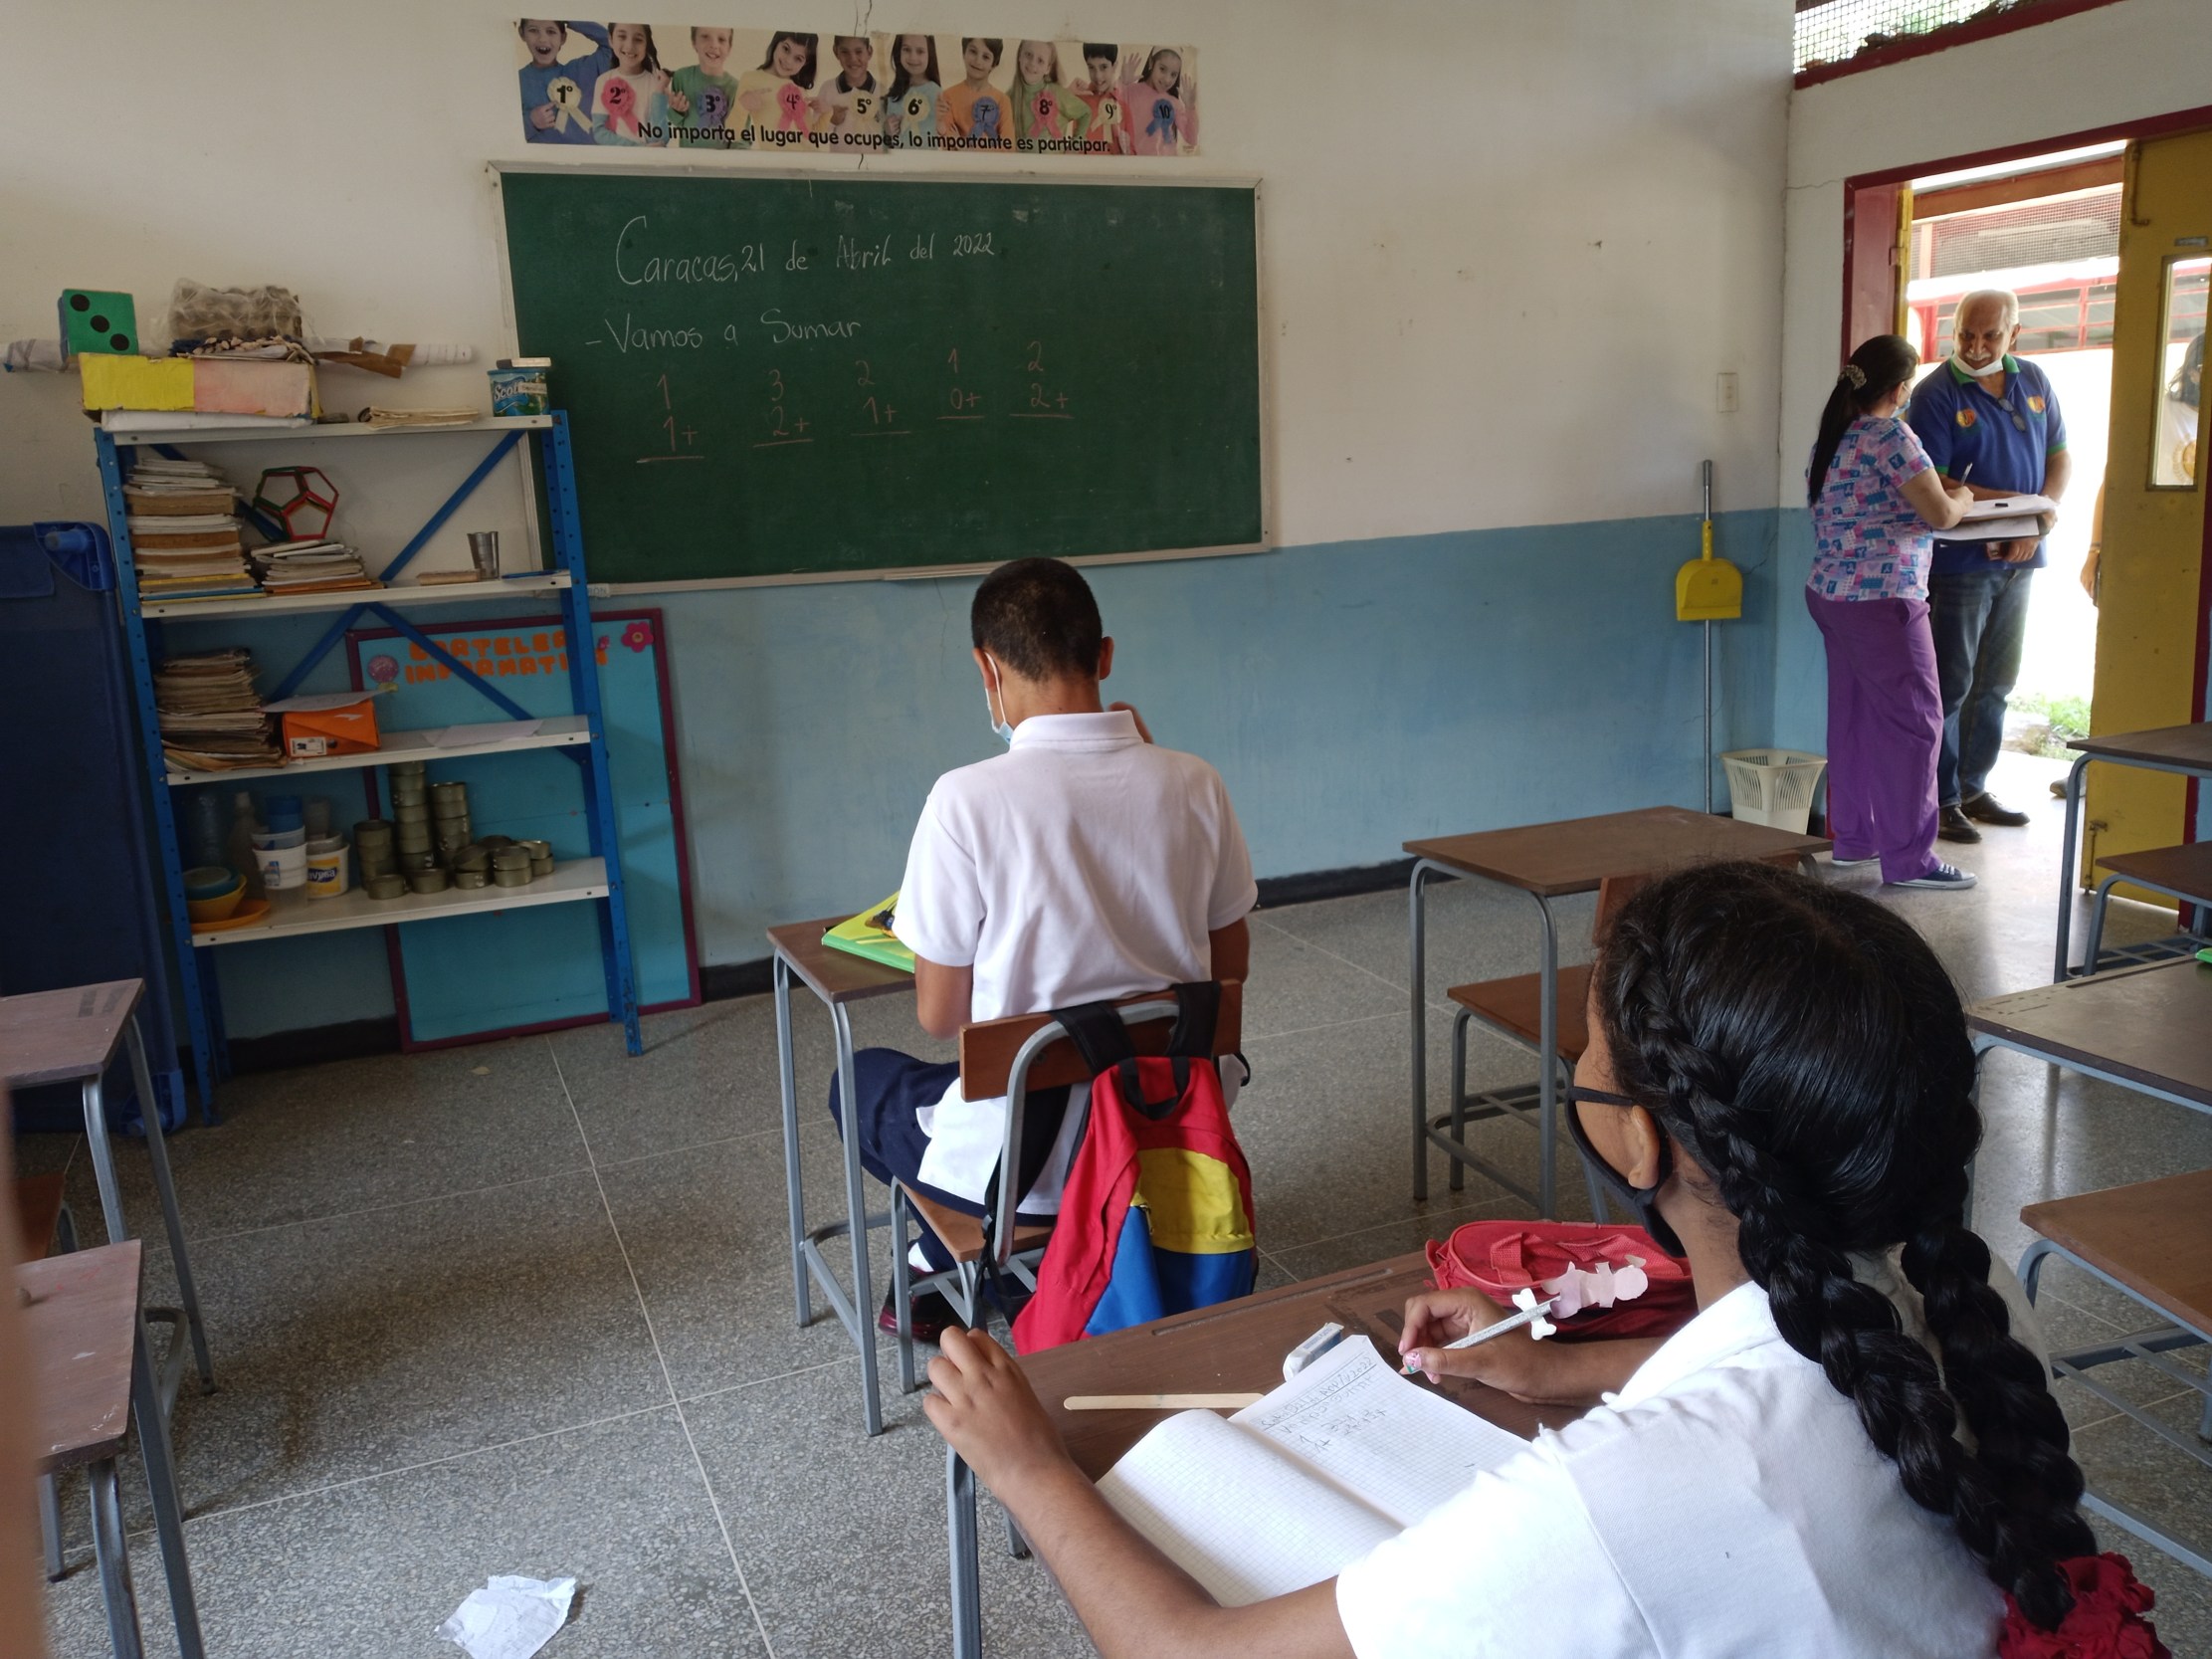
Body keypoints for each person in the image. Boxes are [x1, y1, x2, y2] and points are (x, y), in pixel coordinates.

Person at [924, 862, 2171, 1659]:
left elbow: (1190, 1651)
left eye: (1587, 1051)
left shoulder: (1625, 1493)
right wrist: (1564, 1370)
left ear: (1640, 1137)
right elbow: (1782, 1377)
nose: (1576, 1070)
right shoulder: (1952, 1305)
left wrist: (1028, 1464)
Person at [828, 558, 1255, 1339]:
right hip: (1165, 1130)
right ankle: (944, 1263)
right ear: (1105, 656)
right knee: (1010, 1063)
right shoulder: (1195, 781)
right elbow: (1231, 968)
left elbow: (940, 1014)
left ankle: (938, 1260)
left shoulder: (964, 798)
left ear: (986, 669)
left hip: (1027, 1166)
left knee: (859, 1080)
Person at [1807, 334, 1978, 889]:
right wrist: (1964, 497)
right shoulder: (1891, 436)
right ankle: (1910, 860)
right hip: (1884, 600)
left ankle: (1855, 840)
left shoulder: (1833, 436)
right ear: (1901, 389)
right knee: (1914, 725)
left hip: (1831, 595)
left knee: (1854, 718)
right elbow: (1941, 514)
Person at [1906, 289, 2075, 845]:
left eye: (1991, 336)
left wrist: (2039, 516)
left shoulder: (2034, 380)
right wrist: (2021, 512)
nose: (1976, 347)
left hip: (2023, 554)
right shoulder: (1935, 394)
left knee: (1997, 681)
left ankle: (1974, 787)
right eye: (1966, 336)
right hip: (1962, 560)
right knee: (1952, 682)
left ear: (2014, 334)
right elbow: (1938, 483)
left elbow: (2059, 456)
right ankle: (1942, 797)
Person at [516, 19, 613, 144]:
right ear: (522, 33)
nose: (542, 39)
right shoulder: (516, 80)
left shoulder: (581, 70)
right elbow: (502, 130)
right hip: (542, 155)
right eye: (533, 30)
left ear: (563, 38)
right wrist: (530, 122)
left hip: (590, 154)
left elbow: (613, 46)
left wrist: (571, 18)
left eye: (551, 31)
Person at [588, 22, 668, 146]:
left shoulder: (656, 84)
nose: (630, 46)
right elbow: (599, 132)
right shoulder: (603, 80)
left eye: (638, 39)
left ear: (646, 44)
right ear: (610, 40)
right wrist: (639, 149)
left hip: (647, 158)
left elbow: (660, 139)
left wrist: (659, 92)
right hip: (615, 157)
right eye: (622, 36)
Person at [668, 26, 739, 148]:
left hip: (722, 160)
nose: (714, 45)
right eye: (705, 36)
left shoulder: (736, 88)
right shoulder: (681, 77)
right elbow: (677, 123)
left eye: (721, 39)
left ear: (729, 48)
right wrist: (677, 111)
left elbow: (741, 139)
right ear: (694, 42)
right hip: (688, 158)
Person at [1119, 46, 1197, 156]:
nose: (1167, 79)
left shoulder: (1174, 103)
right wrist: (1121, 82)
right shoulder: (1131, 91)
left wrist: (1190, 107)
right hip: (1136, 161)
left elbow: (1192, 139)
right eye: (1162, 69)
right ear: (1151, 62)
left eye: (1173, 74)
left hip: (1166, 163)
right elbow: (1108, 111)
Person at [938, 37, 1010, 145]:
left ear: (994, 64)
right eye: (973, 52)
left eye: (985, 57)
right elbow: (945, 140)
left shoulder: (1003, 101)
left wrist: (966, 147)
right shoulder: (948, 96)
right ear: (964, 53)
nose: (978, 61)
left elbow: (1009, 146)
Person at [811, 35, 884, 140]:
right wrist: (831, 120)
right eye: (845, 52)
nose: (852, 59)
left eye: (858, 51)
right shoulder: (827, 89)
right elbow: (815, 135)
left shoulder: (883, 91)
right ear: (836, 52)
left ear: (869, 52)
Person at [884, 33, 942, 149]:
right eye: (906, 49)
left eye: (920, 51)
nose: (913, 57)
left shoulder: (936, 93)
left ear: (930, 54)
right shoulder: (894, 94)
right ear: (898, 51)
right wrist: (886, 130)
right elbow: (889, 143)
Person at [1073, 43, 1129, 154]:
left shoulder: (1124, 106)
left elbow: (1132, 153)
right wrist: (1067, 93)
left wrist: (1127, 150)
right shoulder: (1079, 99)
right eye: (1091, 67)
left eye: (1103, 67)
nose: (1097, 76)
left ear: (1114, 67)